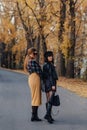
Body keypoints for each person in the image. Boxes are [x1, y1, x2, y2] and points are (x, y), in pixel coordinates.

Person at [24, 47, 42, 121]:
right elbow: (39, 71)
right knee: (35, 97)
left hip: (33, 78)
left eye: (36, 54)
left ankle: (34, 115)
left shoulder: (29, 61)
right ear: (30, 54)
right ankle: (34, 116)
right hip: (35, 78)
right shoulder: (31, 62)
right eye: (34, 53)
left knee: (35, 97)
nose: (35, 55)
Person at [43, 51, 58, 124]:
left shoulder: (47, 64)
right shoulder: (48, 65)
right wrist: (53, 85)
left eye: (51, 56)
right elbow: (50, 76)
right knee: (50, 100)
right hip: (50, 84)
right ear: (46, 57)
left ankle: (49, 116)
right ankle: (47, 115)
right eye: (49, 56)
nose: (51, 57)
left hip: (47, 84)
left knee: (49, 100)